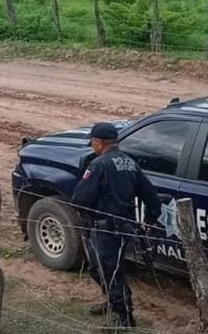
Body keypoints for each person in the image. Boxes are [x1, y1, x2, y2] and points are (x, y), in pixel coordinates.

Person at [71, 122, 162, 329]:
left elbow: (79, 198)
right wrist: (149, 220)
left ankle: (124, 318)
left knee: (109, 271)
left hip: (105, 228)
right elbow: (151, 197)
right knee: (98, 268)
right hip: (123, 227)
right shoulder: (129, 162)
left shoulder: (99, 164)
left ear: (98, 142)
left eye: (93, 143)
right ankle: (113, 301)